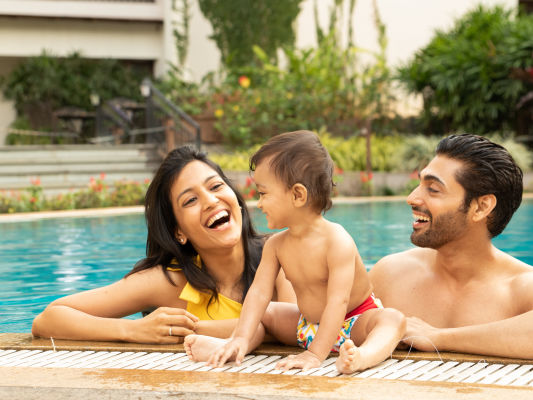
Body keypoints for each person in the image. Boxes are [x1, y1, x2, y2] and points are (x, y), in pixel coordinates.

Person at [185, 131, 405, 373]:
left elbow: (338, 302)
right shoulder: (276, 245)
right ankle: (234, 344)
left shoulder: (337, 241)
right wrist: (241, 335)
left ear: (298, 195)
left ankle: (363, 357)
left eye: (263, 193)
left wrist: (314, 355)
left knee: (392, 320)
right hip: (306, 325)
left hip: (353, 324)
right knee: (266, 312)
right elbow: (258, 294)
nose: (258, 203)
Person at [32, 146, 295, 343]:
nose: (211, 201)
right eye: (190, 201)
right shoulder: (170, 281)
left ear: (236, 200)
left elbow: (299, 328)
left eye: (216, 186)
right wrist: (134, 330)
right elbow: (48, 319)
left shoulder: (282, 253)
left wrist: (191, 331)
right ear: (178, 231)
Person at [369, 133, 533, 359]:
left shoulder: (521, 287)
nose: (412, 198)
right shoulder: (390, 274)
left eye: (433, 189)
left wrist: (438, 337)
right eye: (419, 184)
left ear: (481, 207)